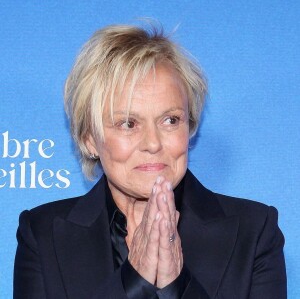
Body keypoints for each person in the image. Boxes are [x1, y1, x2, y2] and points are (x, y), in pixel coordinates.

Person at [13, 23, 287, 299]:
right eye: (128, 123)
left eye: (170, 120)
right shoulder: (43, 234)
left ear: (189, 126)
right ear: (89, 139)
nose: (153, 143)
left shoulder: (253, 233)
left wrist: (176, 286)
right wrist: (134, 280)